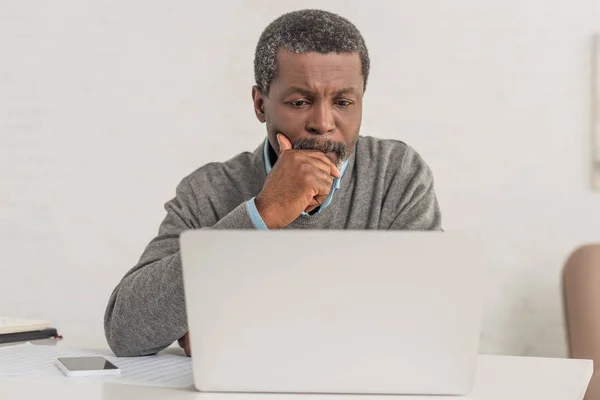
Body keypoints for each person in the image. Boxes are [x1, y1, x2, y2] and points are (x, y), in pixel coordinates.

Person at [104, 9, 443, 357]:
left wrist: (228, 324)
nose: (323, 123)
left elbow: (432, 320)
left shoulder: (396, 175)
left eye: (343, 102)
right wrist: (261, 214)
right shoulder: (208, 190)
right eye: (299, 102)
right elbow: (126, 332)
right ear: (260, 103)